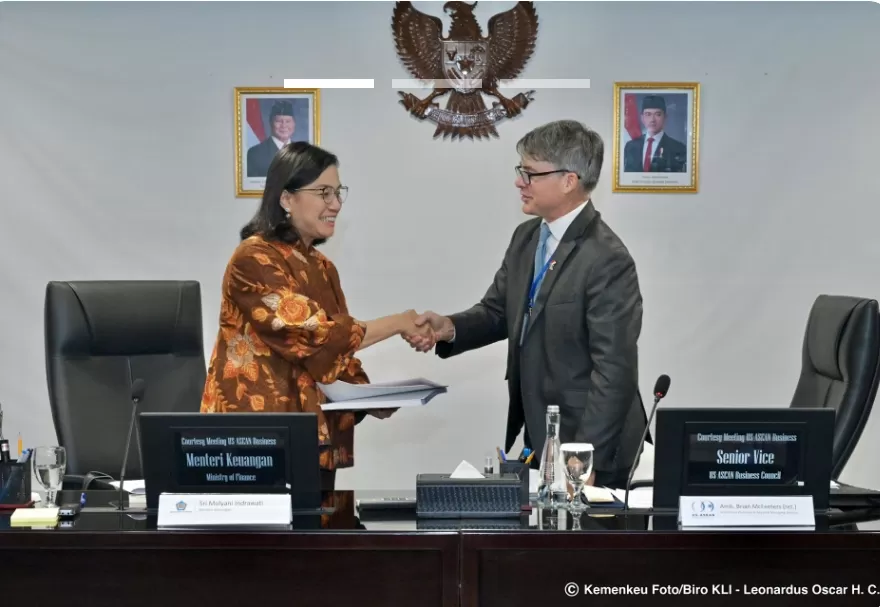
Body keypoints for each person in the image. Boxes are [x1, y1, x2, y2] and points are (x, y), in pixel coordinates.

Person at [405, 120, 647, 489]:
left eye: (530, 173)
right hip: (542, 435)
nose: (520, 182)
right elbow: (500, 311)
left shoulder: (606, 258)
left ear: (569, 180)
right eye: (521, 171)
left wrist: (583, 455)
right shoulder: (527, 237)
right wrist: (449, 328)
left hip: (592, 448)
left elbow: (615, 370)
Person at [201, 141, 431, 489]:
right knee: (255, 544)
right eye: (324, 192)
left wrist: (370, 398)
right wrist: (399, 322)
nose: (335, 205)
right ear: (286, 198)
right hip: (255, 442)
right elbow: (314, 334)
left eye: (339, 193)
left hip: (312, 437)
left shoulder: (323, 268)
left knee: (319, 538)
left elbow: (335, 356)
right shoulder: (254, 258)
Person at [623, 95, 687, 173]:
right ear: (642, 118)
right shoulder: (630, 146)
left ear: (665, 117)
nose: (652, 120)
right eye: (648, 114)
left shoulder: (678, 148)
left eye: (658, 114)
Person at [247, 100, 296, 178]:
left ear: (294, 124)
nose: (284, 125)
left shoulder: (302, 152)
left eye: (288, 121)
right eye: (278, 121)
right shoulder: (255, 153)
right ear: (270, 123)